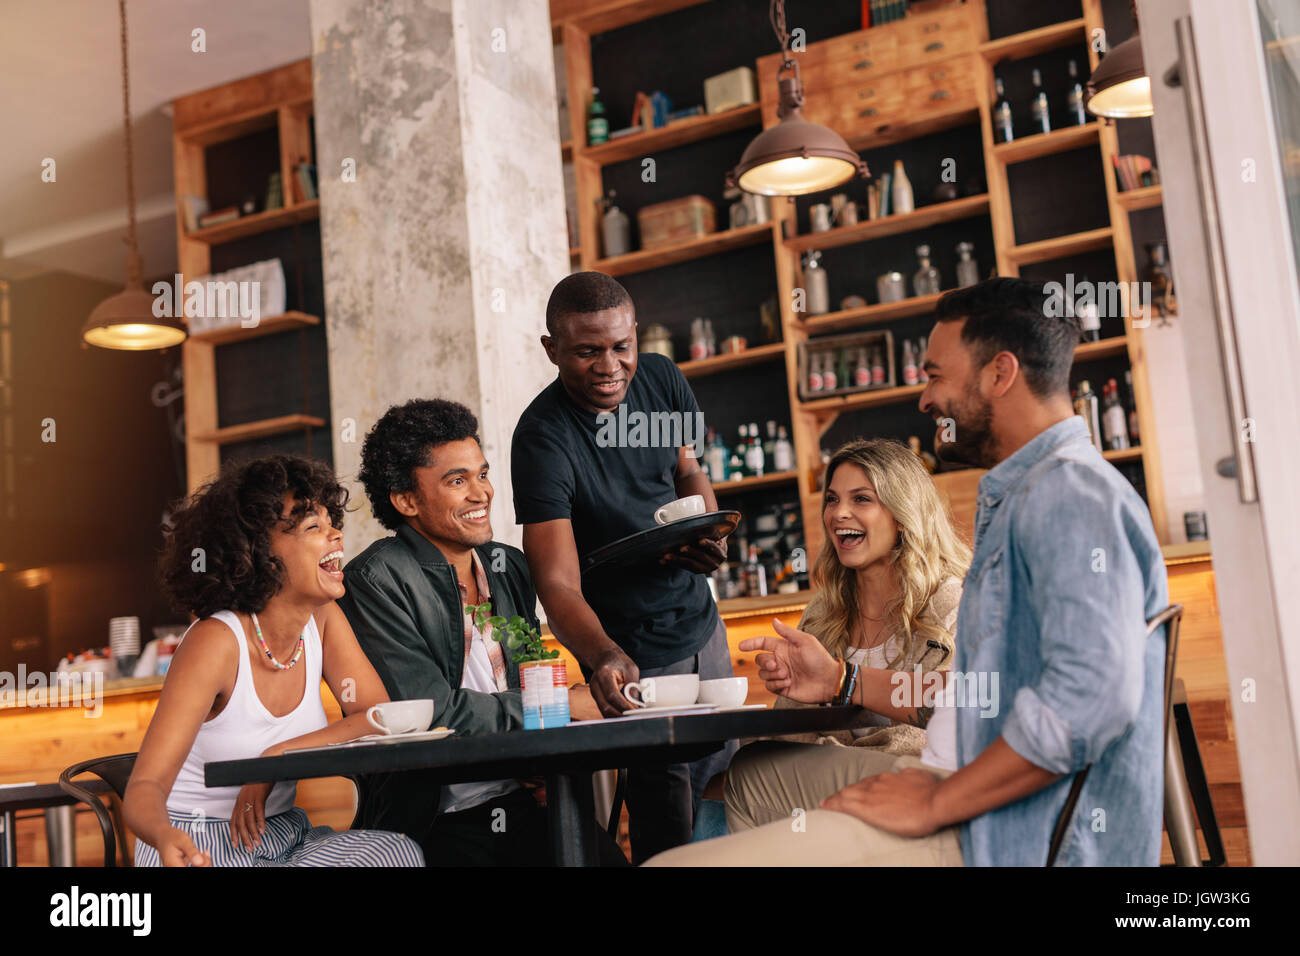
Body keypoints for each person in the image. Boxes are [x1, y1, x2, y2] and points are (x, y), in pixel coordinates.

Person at [648, 277, 1168, 866]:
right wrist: (844, 681)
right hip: (970, 797)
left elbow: (1089, 702)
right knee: (749, 776)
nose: (924, 401)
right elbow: (979, 694)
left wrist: (939, 798)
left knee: (671, 865)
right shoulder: (1031, 493)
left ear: (1000, 374)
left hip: (1003, 833)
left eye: (934, 376)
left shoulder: (1067, 497)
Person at [510, 271, 735, 862]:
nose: (610, 366)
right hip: (631, 648)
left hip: (701, 625)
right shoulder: (542, 440)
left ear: (636, 335)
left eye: (621, 347)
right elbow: (555, 583)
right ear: (552, 349)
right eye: (587, 351)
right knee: (667, 819)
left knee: (726, 791)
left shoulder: (661, 378)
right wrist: (603, 655)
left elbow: (688, 469)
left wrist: (709, 528)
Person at [337, 398, 612, 866]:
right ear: (406, 500)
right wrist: (561, 705)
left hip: (526, 800)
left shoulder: (508, 567)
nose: (480, 493)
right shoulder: (375, 580)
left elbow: (530, 681)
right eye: (457, 481)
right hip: (439, 820)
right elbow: (429, 713)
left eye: (482, 474)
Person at [124, 455, 424, 867]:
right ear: (260, 552)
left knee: (394, 854)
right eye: (313, 527)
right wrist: (162, 835)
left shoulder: (321, 620)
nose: (336, 534)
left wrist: (277, 756)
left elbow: (378, 716)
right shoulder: (216, 642)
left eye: (331, 522)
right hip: (201, 843)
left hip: (282, 834)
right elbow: (144, 787)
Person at [720, 437, 968, 833]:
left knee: (750, 774)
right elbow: (792, 731)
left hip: (922, 789)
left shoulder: (950, 604)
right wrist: (790, 684)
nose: (839, 513)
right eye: (832, 500)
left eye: (862, 499)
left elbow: (959, 718)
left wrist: (839, 685)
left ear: (902, 514)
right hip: (834, 795)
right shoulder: (824, 611)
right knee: (726, 789)